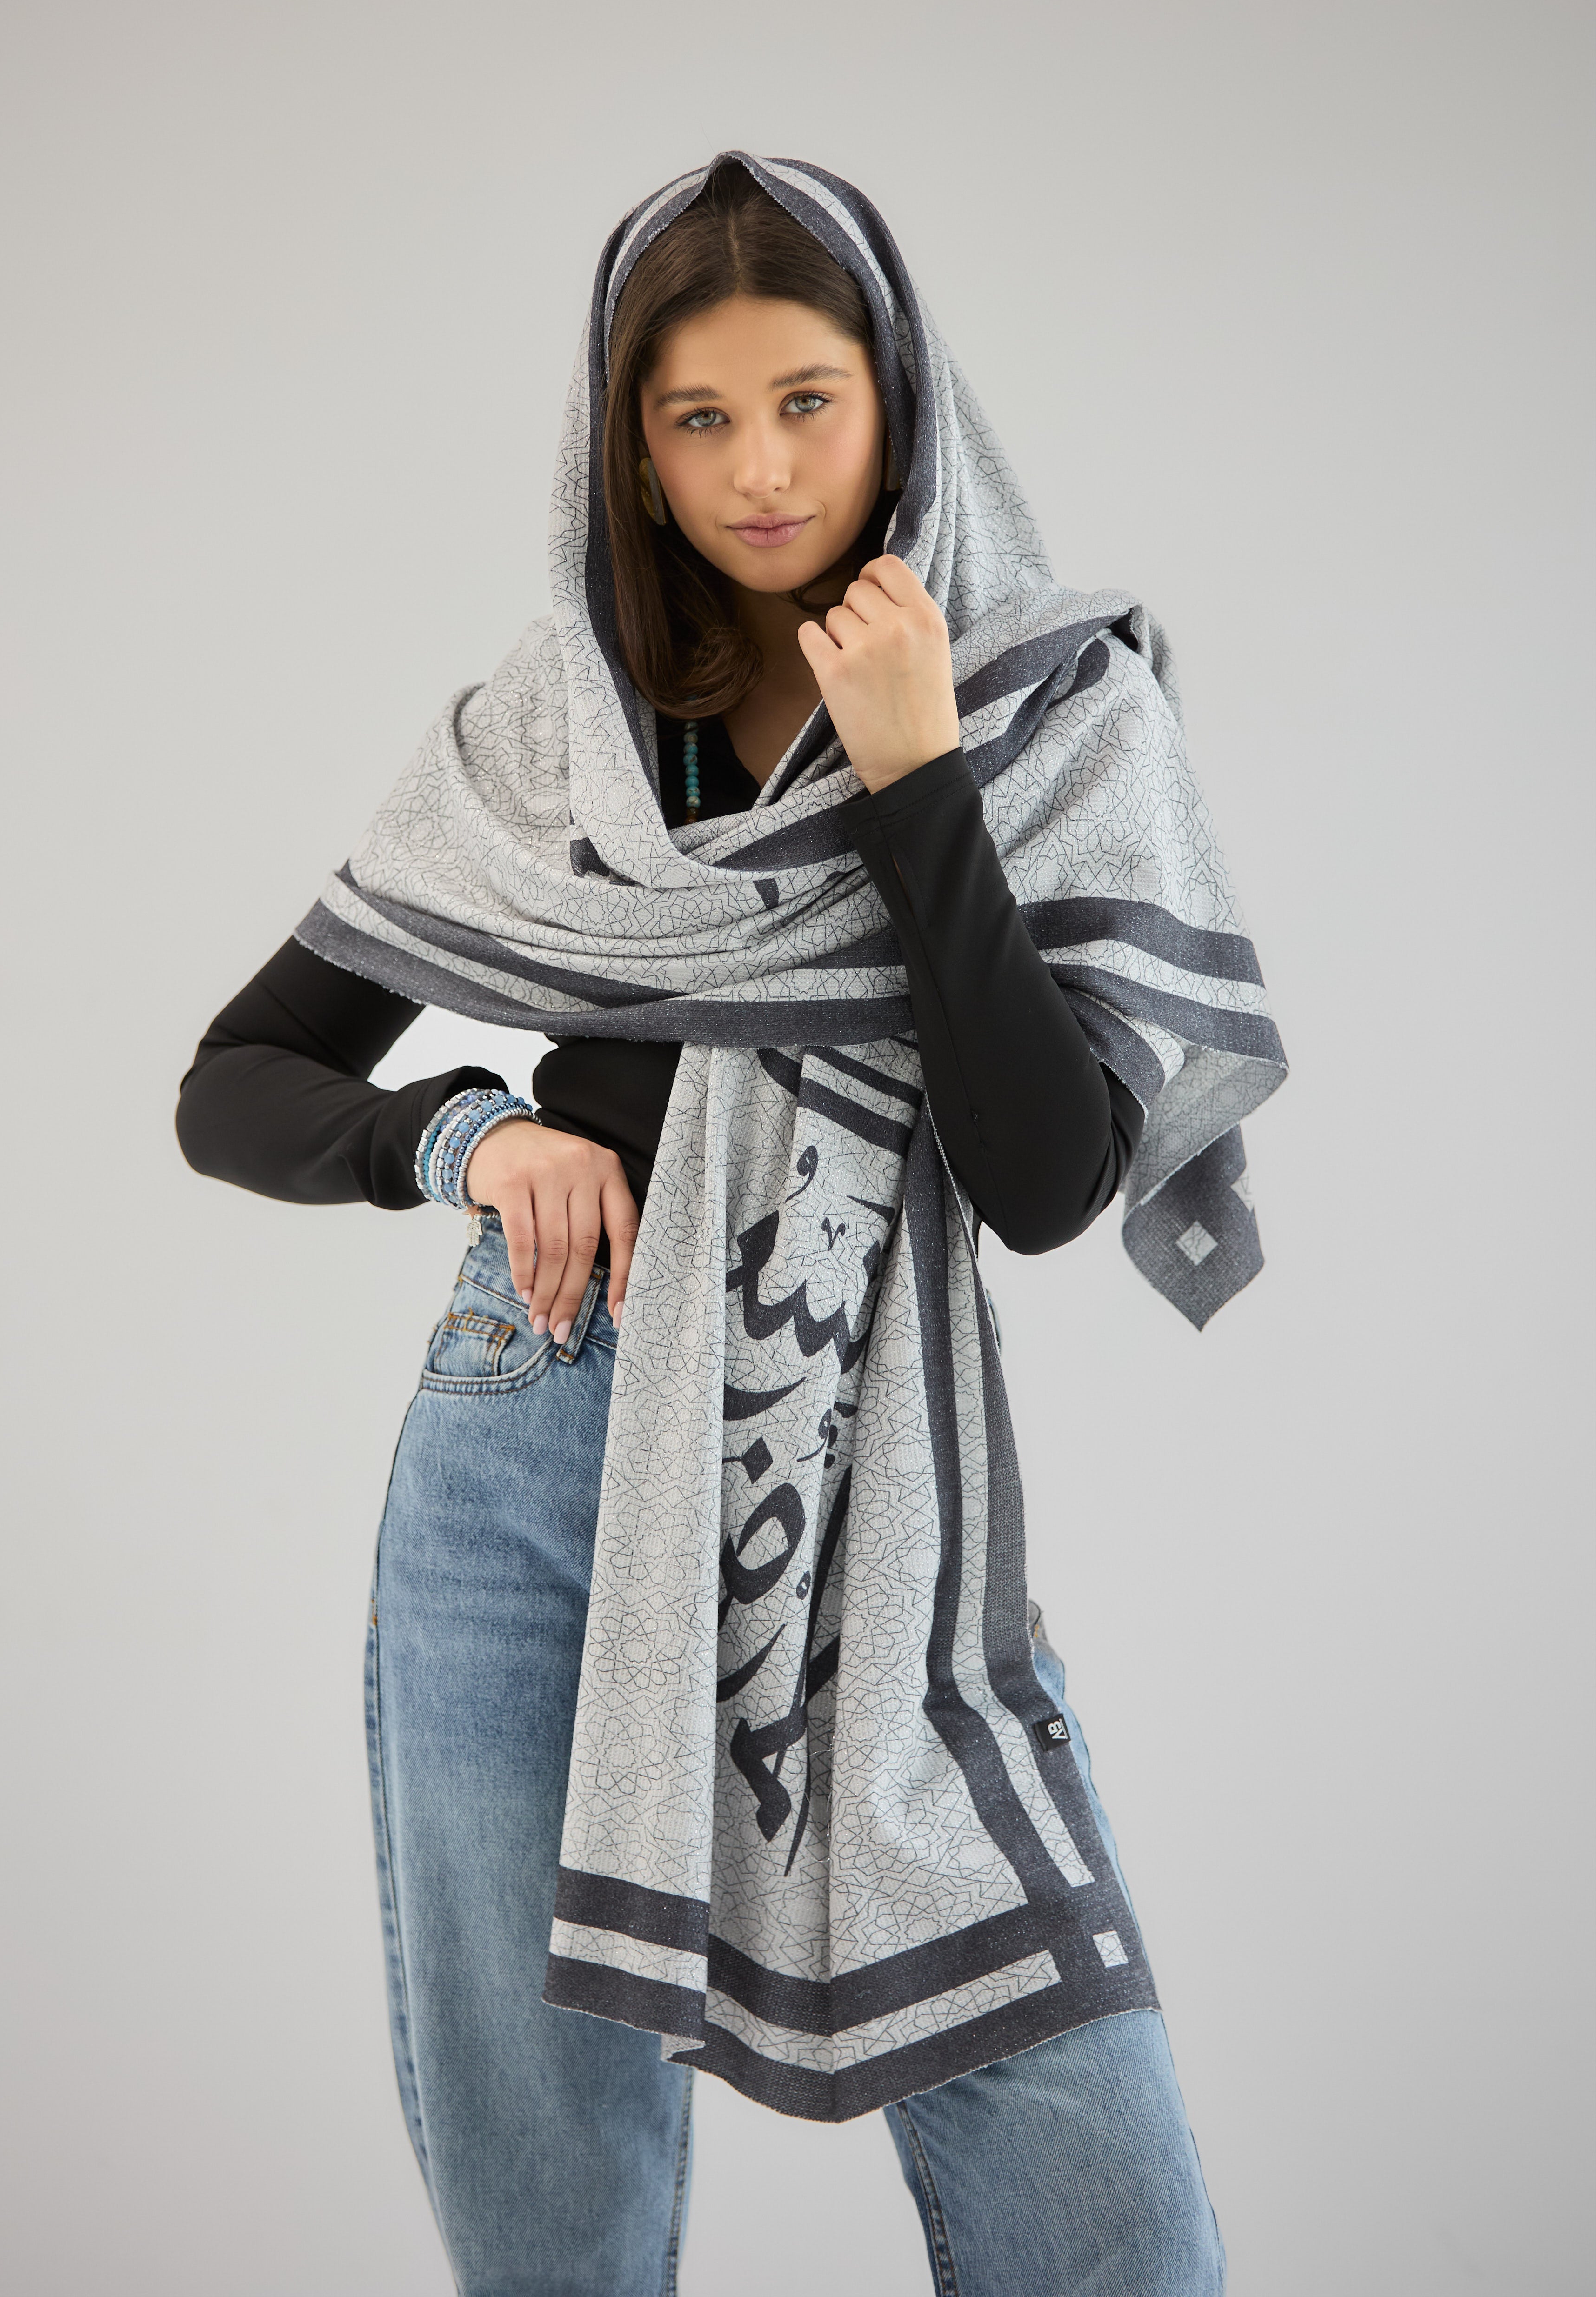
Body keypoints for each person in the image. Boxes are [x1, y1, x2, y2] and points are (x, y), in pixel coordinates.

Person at [178, 154, 1283, 2296]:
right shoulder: (569, 718)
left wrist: (916, 776)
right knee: (552, 2198)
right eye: (697, 419)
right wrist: (469, 1139)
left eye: (805, 402)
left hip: (853, 1462)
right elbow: (244, 1075)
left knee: (1104, 2206)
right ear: (630, 447)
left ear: (900, 401)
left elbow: (1047, 1178)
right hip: (533, 1437)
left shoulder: (1045, 705)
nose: (759, 471)